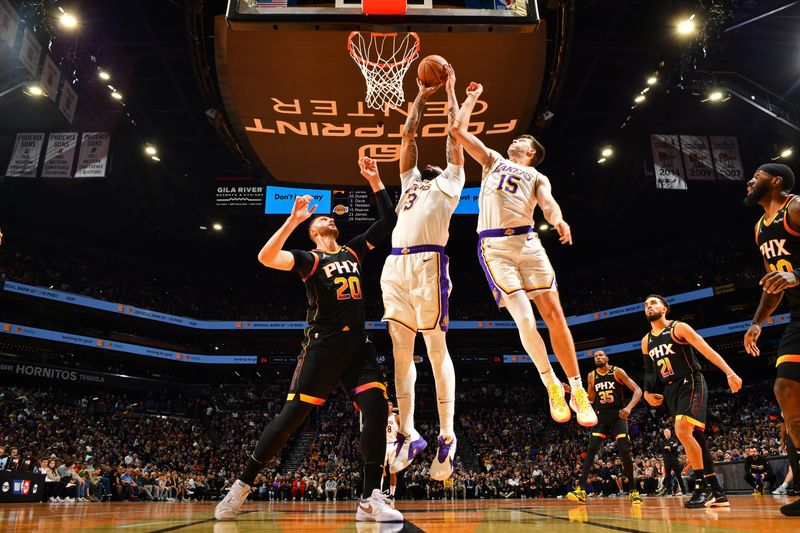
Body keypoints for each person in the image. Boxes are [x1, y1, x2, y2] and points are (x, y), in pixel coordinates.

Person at [215, 157, 402, 523]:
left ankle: (370, 497)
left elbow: (388, 222)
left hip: (358, 347)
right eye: (322, 220)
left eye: (330, 218)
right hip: (323, 346)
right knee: (291, 419)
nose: (329, 219)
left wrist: (376, 180)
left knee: (377, 408)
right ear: (314, 232)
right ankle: (242, 485)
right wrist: (293, 219)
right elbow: (266, 257)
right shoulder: (309, 259)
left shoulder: (353, 251)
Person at [450, 81, 596, 427]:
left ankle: (577, 389)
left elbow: (548, 204)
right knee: (525, 319)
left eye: (522, 141)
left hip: (529, 243)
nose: (514, 140)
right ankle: (550, 383)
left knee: (555, 315)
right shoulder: (493, 161)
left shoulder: (537, 175)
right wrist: (471, 97)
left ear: (530, 152)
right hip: (495, 247)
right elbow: (457, 130)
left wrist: (559, 221)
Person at [382, 67, 464, 479]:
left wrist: (450, 90)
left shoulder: (451, 180)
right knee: (399, 349)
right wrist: (419, 95)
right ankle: (409, 433)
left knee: (435, 349)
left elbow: (453, 134)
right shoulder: (411, 182)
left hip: (430, 262)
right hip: (395, 264)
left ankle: (447, 435)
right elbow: (408, 136)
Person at [641, 294, 742, 508]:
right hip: (671, 390)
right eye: (646, 305)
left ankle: (701, 487)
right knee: (695, 438)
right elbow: (650, 371)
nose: (649, 306)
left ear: (665, 308)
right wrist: (647, 392)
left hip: (691, 382)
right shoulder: (646, 341)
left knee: (682, 431)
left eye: (653, 303)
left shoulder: (679, 328)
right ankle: (717, 491)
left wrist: (729, 372)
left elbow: (705, 349)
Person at [742, 162, 800, 516]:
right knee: (785, 390)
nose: (750, 181)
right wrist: (756, 323)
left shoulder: (795, 207)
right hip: (797, 316)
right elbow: (772, 284)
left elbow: (789, 275)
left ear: (776, 181)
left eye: (757, 176)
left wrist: (796, 273)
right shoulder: (760, 227)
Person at [567, 350, 642, 505]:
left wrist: (628, 408)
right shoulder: (591, 376)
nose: (598, 357)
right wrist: (573, 391)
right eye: (595, 356)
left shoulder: (617, 371)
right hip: (600, 417)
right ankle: (581, 490)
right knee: (591, 451)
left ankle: (633, 491)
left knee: (624, 450)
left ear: (607, 358)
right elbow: (590, 399)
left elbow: (638, 390)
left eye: (601, 355)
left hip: (617, 416)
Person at [660, 428, 686, 496]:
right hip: (667, 461)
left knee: (678, 476)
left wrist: (669, 448)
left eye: (669, 432)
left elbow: (675, 447)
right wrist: (671, 448)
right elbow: (663, 450)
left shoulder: (674, 440)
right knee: (667, 476)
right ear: (664, 434)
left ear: (670, 433)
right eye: (666, 433)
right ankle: (669, 492)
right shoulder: (662, 441)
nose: (668, 434)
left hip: (674, 460)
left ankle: (684, 491)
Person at [383, 402, 400, 502]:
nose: (388, 406)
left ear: (392, 407)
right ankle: (379, 493)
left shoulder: (396, 417)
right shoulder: (380, 416)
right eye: (387, 404)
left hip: (394, 444)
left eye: (390, 404)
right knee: (381, 470)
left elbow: (403, 431)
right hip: (383, 445)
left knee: (393, 471)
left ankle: (392, 494)